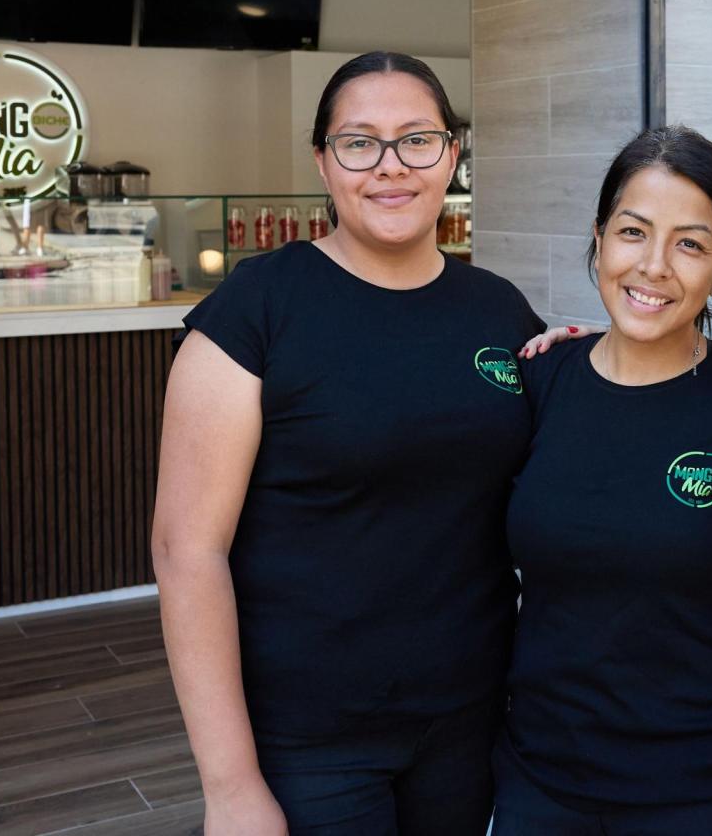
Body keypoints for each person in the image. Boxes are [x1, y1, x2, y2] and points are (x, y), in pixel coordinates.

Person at [153, 52, 542, 836]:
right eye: (360, 143)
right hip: (310, 736)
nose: (391, 167)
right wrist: (229, 786)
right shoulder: (259, 308)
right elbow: (186, 552)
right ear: (324, 165)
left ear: (453, 156)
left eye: (417, 140)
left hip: (469, 718)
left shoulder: (498, 312)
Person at [493, 126, 712, 835]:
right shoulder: (536, 383)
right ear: (599, 239)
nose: (655, 265)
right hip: (545, 787)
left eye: (691, 244)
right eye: (633, 232)